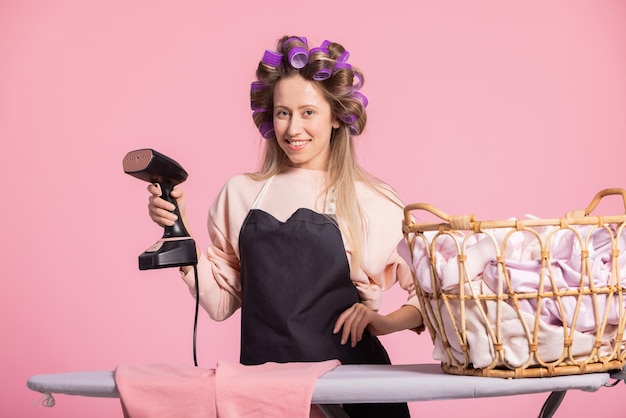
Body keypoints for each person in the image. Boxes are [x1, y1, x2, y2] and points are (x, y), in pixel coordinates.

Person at [147, 35, 424, 417]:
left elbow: (434, 296)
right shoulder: (241, 193)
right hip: (266, 393)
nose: (293, 128)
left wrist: (384, 322)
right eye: (283, 112)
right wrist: (181, 234)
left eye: (308, 112)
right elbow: (221, 303)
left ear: (335, 117)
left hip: (354, 391)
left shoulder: (373, 200)